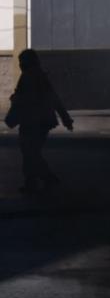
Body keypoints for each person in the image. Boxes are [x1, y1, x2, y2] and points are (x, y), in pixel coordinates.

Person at [4, 49, 73, 194]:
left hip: (33, 121)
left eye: (22, 62)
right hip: (39, 121)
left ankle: (44, 179)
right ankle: (35, 181)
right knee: (31, 152)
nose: (21, 65)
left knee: (30, 152)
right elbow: (54, 99)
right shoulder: (38, 76)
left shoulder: (29, 77)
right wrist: (66, 119)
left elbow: (24, 99)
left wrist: (15, 103)